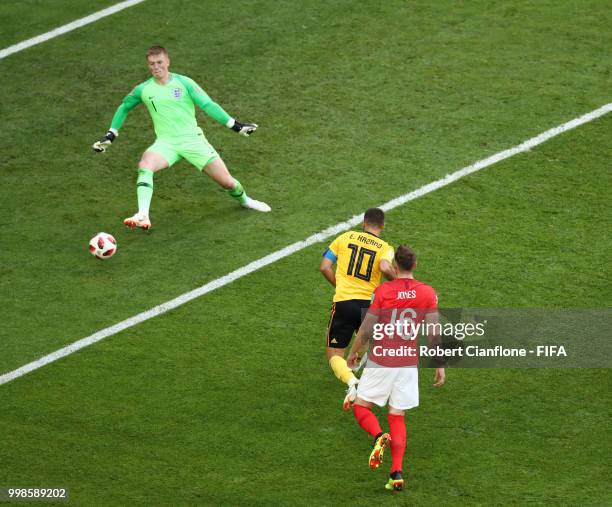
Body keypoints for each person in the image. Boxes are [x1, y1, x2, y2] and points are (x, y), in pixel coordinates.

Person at [92, 45, 270, 230]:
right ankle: (143, 214)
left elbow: (208, 105)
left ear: (168, 61)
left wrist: (235, 125)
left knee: (227, 182)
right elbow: (124, 107)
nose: (156, 67)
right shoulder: (143, 90)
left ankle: (246, 200)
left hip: (193, 140)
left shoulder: (184, 83)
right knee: (145, 166)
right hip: (166, 143)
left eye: (159, 62)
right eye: (152, 63)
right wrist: (111, 134)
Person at [346, 245, 445, 492]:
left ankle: (379, 436)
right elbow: (433, 332)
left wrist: (354, 352)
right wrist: (440, 364)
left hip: (382, 358)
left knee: (361, 407)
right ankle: (396, 473)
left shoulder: (383, 291)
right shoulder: (428, 293)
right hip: (407, 362)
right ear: (415, 265)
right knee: (397, 414)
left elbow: (367, 329)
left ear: (395, 267)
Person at [320, 208, 396, 409]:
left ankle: (352, 381)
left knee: (334, 356)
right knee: (368, 343)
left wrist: (341, 287)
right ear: (382, 226)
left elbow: (324, 266)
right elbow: (386, 268)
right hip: (368, 307)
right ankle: (368, 382)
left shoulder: (345, 238)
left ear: (364, 223)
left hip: (344, 303)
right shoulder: (385, 247)